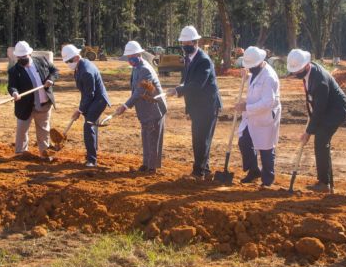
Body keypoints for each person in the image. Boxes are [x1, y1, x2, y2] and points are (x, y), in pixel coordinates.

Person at [287, 48, 346, 193]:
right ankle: (327, 183)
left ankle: (325, 183)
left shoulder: (320, 81)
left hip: (336, 112)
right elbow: (313, 103)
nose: (296, 73)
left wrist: (308, 132)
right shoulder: (310, 71)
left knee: (321, 141)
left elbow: (319, 111)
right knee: (322, 143)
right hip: (326, 110)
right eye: (294, 71)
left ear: (306, 65)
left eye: (298, 70)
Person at [166, 25, 222, 178]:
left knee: (201, 139)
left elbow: (198, 85)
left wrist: (178, 91)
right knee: (199, 138)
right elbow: (186, 81)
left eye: (187, 43)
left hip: (208, 106)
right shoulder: (189, 59)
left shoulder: (203, 60)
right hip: (198, 106)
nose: (185, 46)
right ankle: (205, 169)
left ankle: (199, 172)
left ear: (195, 42)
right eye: (183, 43)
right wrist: (178, 88)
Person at [114, 41, 168, 173]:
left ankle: (152, 167)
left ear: (139, 54)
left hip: (154, 109)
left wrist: (125, 106)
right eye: (128, 57)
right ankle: (146, 164)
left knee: (152, 137)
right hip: (145, 109)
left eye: (131, 56)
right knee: (146, 136)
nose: (129, 59)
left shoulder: (145, 69)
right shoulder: (136, 67)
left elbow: (139, 91)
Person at [235, 46, 281, 186]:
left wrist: (246, 107)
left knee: (266, 148)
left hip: (266, 117)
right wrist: (247, 76)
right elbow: (254, 83)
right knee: (244, 141)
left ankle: (267, 180)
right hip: (253, 116)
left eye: (251, 66)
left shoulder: (269, 77)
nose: (250, 68)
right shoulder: (256, 72)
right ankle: (254, 170)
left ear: (260, 61)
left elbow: (267, 102)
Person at [62, 43, 110, 167]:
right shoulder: (79, 67)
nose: (68, 64)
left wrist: (79, 110)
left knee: (88, 126)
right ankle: (92, 152)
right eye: (66, 61)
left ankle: (92, 159)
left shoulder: (86, 71)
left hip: (98, 100)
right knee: (90, 126)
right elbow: (86, 94)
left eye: (69, 61)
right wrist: (81, 109)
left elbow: (90, 94)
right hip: (90, 98)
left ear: (76, 57)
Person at [8, 41, 59, 159]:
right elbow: (12, 86)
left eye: (24, 57)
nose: (21, 59)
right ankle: (21, 153)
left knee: (43, 130)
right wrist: (15, 92)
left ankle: (45, 154)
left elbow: (55, 71)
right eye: (19, 57)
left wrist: (51, 79)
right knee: (22, 131)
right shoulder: (14, 70)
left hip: (43, 104)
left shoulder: (41, 61)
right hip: (25, 105)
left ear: (30, 54)